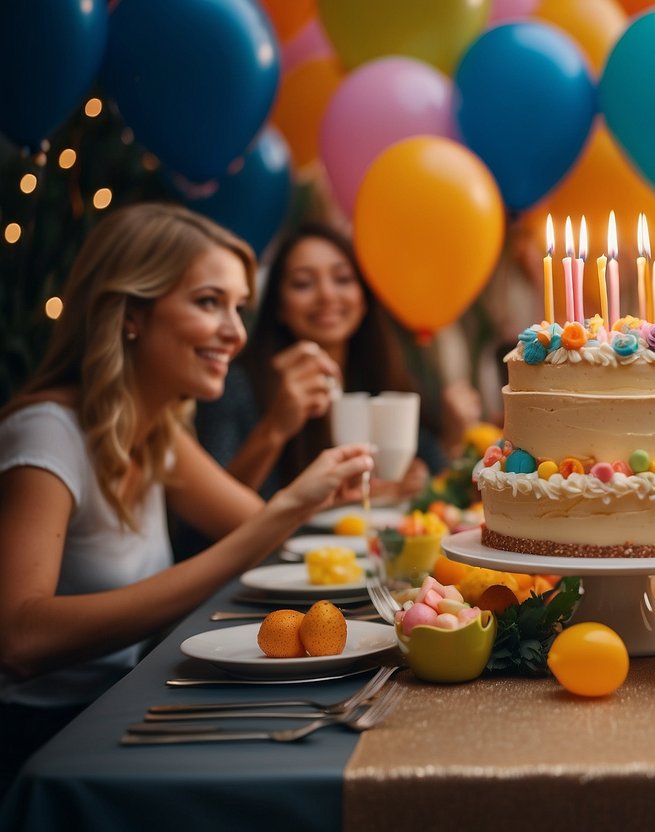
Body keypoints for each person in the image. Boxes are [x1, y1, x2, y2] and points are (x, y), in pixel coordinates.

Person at [0, 204, 374, 790]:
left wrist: (319, 498)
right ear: (131, 314)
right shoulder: (47, 433)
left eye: (239, 307)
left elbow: (258, 527)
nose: (237, 332)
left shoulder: (158, 432)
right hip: (37, 742)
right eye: (209, 302)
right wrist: (288, 506)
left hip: (118, 702)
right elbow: (19, 639)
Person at [192, 223, 474, 506]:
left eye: (342, 279)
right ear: (278, 305)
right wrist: (275, 426)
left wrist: (449, 444)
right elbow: (209, 514)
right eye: (303, 283)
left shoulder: (380, 372)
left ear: (364, 297)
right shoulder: (236, 382)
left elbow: (434, 483)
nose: (327, 295)